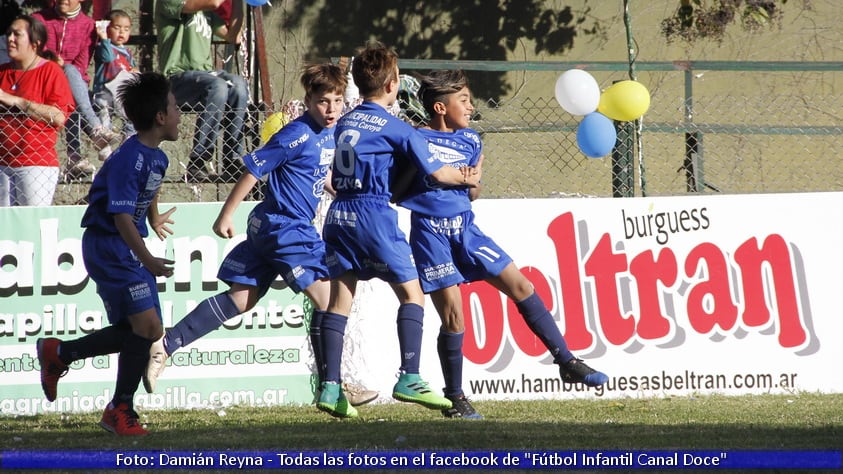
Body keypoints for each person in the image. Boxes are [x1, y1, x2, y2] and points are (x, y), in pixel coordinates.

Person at [142, 63, 378, 407]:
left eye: (337, 101)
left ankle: (167, 343)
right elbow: (254, 170)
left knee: (241, 299)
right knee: (331, 301)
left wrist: (341, 193)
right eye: (323, 101)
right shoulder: (294, 134)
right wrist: (225, 215)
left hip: (271, 226)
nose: (331, 109)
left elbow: (316, 172)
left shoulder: (329, 132)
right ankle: (334, 385)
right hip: (286, 227)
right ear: (308, 100)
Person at [398, 70, 609, 419]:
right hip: (430, 235)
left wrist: (473, 182)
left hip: (466, 230)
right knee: (454, 317)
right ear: (439, 107)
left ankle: (567, 361)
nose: (470, 106)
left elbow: (473, 191)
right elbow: (402, 187)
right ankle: (455, 398)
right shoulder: (415, 139)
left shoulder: (471, 140)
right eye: (463, 100)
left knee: (521, 284)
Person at [316, 42, 481, 419]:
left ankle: (330, 386)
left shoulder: (346, 121)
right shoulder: (398, 128)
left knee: (340, 300)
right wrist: (466, 176)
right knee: (413, 294)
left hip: (338, 213)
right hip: (373, 213)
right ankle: (409, 376)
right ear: (393, 84)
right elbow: (438, 172)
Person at [36, 72, 180, 436]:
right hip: (109, 244)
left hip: (124, 244)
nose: (180, 113)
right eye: (176, 107)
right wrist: (147, 258)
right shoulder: (129, 158)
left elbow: (149, 188)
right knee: (148, 328)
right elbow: (118, 216)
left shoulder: (155, 157)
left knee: (140, 330)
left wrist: (153, 216)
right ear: (160, 117)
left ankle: (61, 355)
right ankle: (119, 408)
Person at [155, 0, 248, 183]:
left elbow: (233, 37)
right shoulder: (168, 2)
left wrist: (239, 4)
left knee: (238, 84)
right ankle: (198, 160)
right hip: (177, 77)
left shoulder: (206, 14)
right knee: (218, 86)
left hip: (206, 75)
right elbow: (214, 3)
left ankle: (231, 159)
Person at [33, 0, 122, 178]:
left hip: (72, 86)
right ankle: (96, 130)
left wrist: (63, 68)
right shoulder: (38, 20)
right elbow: (36, 55)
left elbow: (81, 66)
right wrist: (55, 64)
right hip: (42, 80)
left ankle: (75, 157)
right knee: (71, 77)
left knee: (72, 78)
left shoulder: (88, 26)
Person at [0, 15, 74, 207]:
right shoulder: (2, 72)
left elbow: (58, 116)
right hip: (2, 163)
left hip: (35, 164)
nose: (10, 39)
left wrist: (17, 101)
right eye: (8, 34)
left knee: (30, 224)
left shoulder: (50, 71)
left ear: (35, 42)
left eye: (17, 34)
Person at [92, 9, 137, 138]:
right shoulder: (103, 46)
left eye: (126, 29)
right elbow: (108, 59)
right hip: (104, 91)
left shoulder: (127, 51)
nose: (122, 32)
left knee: (131, 115)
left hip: (120, 92)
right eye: (117, 28)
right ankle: (105, 144)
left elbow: (130, 68)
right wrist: (104, 39)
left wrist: (134, 70)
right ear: (107, 28)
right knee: (105, 119)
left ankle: (128, 138)